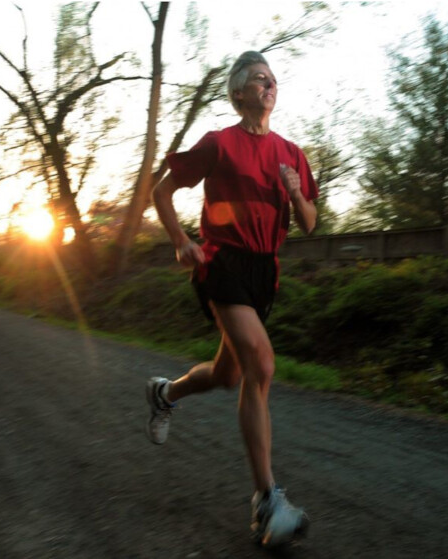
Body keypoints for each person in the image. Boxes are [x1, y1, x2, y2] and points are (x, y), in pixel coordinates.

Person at [146, 50, 318, 548]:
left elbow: (310, 222)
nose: (269, 84)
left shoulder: (291, 153)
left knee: (230, 375)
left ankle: (165, 394)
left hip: (264, 272)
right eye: (260, 78)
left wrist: (295, 193)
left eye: (273, 79)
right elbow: (161, 192)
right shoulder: (219, 143)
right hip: (221, 262)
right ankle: (267, 501)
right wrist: (181, 241)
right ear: (239, 92)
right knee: (261, 364)